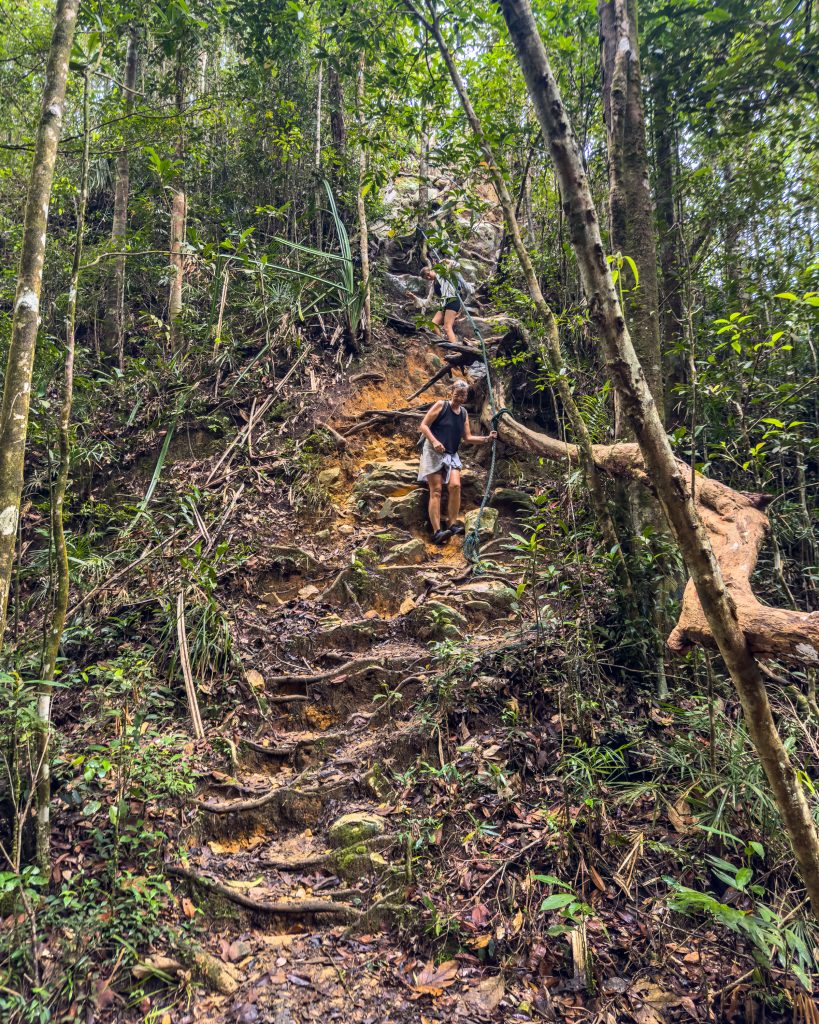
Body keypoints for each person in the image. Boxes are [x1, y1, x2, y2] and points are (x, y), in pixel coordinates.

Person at [418, 378, 497, 544]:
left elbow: (467, 437)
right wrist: (434, 441)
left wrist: (487, 439)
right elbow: (424, 425)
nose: (460, 397)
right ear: (451, 393)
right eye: (458, 394)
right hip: (433, 451)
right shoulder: (441, 405)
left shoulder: (463, 413)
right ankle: (437, 531)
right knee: (437, 490)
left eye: (463, 394)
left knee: (455, 485)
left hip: (451, 453)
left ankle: (452, 523)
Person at [420, 261, 466, 346]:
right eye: (426, 277)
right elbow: (427, 302)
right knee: (433, 323)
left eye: (428, 274)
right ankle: (443, 343)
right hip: (444, 304)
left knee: (447, 327)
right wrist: (413, 298)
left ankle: (456, 349)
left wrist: (446, 260)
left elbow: (457, 265)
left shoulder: (443, 274)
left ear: (432, 270)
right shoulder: (433, 286)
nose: (428, 277)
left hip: (453, 300)